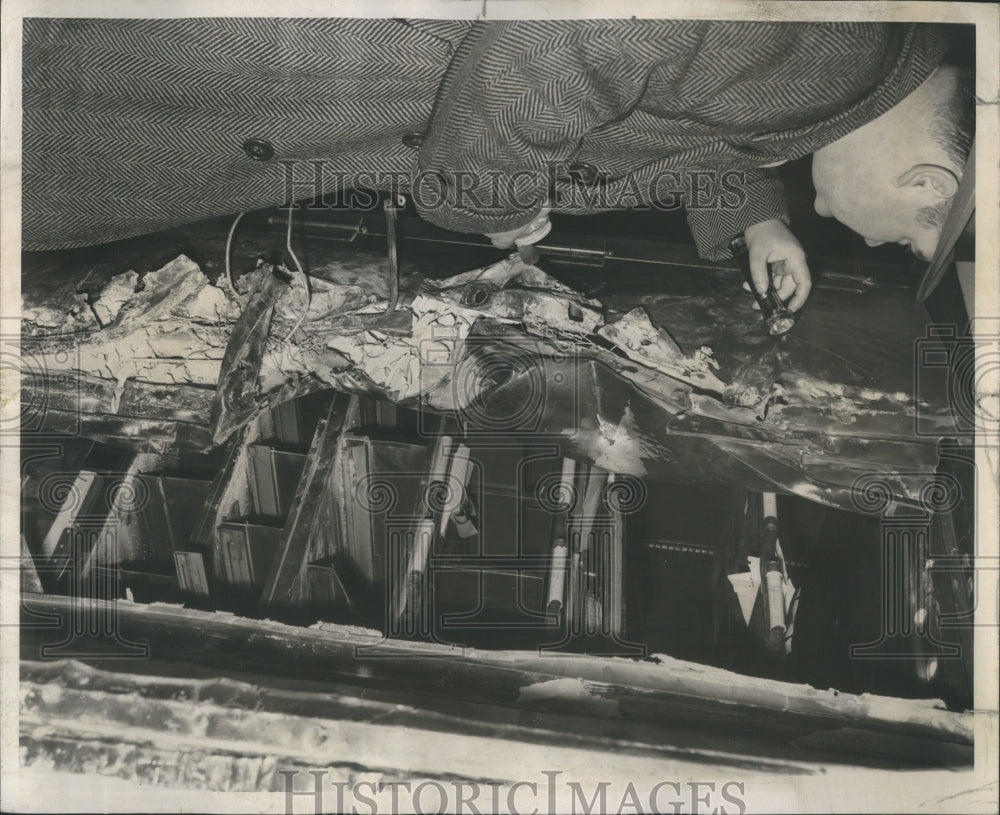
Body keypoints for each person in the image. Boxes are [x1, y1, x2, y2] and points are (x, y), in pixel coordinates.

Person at [21, 19, 973, 311]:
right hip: (340, 57)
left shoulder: (855, 69)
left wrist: (753, 209)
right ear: (928, 189)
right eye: (904, 242)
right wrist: (498, 205)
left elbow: (685, 99)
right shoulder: (839, 41)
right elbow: (565, 34)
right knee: (76, 109)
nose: (873, 240)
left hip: (383, 96)